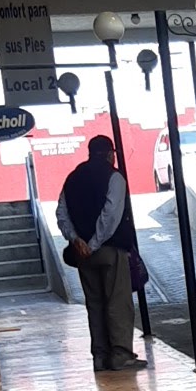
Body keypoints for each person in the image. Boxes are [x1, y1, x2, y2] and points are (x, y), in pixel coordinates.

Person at [57, 135, 146, 374]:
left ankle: (100, 356)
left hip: (83, 255)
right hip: (109, 250)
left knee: (94, 304)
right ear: (110, 154)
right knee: (118, 302)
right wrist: (94, 243)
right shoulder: (114, 177)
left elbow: (61, 213)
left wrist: (76, 240)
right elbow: (111, 215)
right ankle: (120, 355)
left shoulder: (72, 178)